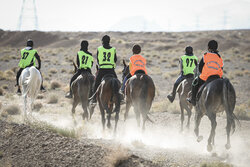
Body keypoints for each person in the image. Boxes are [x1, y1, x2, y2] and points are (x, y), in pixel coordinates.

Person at [187, 40, 223, 106]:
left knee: (194, 83)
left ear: (208, 47)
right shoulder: (219, 57)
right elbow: (221, 67)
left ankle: (193, 100)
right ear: (216, 47)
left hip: (206, 77)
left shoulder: (205, 56)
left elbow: (200, 68)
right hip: (218, 77)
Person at [90, 35, 118, 104]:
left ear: (102, 41)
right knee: (117, 82)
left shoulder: (99, 49)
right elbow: (115, 60)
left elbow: (98, 59)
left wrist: (101, 64)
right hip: (111, 69)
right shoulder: (113, 49)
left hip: (102, 69)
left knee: (96, 83)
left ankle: (93, 99)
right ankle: (119, 97)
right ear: (109, 41)